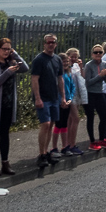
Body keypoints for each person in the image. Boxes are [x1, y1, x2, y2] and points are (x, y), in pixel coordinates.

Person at [0, 37, 29, 175]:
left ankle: (5, 163)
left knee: (5, 134)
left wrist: (15, 55)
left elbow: (25, 68)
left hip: (8, 105)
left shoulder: (11, 62)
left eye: (9, 49)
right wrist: (8, 72)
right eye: (4, 49)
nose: (6, 51)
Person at [30, 33, 65, 167]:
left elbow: (60, 79)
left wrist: (63, 97)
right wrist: (37, 98)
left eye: (53, 42)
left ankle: (46, 151)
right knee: (45, 124)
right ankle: (41, 154)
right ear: (44, 44)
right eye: (48, 42)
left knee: (51, 125)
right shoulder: (39, 59)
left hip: (54, 97)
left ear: (56, 44)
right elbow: (34, 79)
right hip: (43, 97)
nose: (51, 44)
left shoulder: (57, 59)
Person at [84, 44, 106, 149]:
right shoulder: (88, 65)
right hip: (90, 94)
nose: (98, 54)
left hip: (100, 93)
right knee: (91, 118)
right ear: (92, 54)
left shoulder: (104, 64)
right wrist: (100, 76)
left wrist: (105, 75)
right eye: (95, 52)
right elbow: (87, 83)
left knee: (104, 116)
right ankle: (92, 141)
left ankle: (102, 139)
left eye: (100, 52)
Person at [64, 48, 87, 156]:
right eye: (71, 56)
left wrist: (81, 67)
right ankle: (72, 145)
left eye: (75, 57)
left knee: (70, 120)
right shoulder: (66, 67)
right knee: (76, 119)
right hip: (70, 95)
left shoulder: (76, 66)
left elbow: (83, 77)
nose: (73, 59)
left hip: (77, 94)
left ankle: (68, 144)